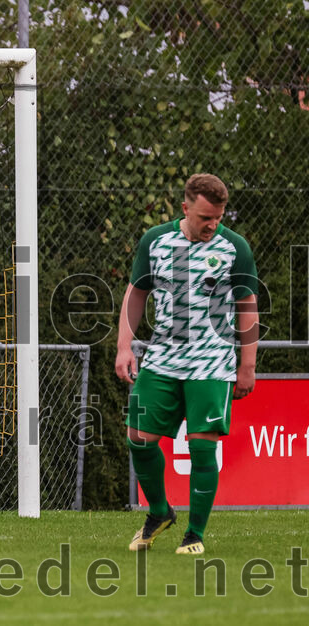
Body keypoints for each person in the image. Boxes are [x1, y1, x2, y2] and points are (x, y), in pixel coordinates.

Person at [115, 173, 258, 555]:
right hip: (161, 358)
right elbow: (136, 293)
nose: (213, 224)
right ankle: (160, 511)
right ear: (185, 208)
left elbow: (247, 305)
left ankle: (194, 533)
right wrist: (124, 347)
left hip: (211, 363)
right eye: (205, 217)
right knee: (138, 438)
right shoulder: (155, 240)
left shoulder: (234, 247)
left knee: (201, 447)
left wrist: (247, 365)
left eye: (218, 217)